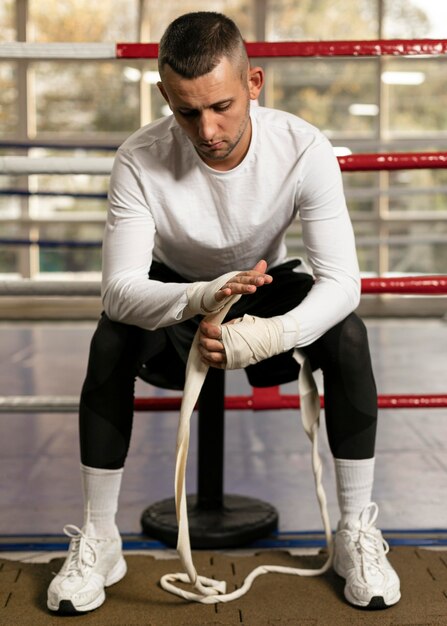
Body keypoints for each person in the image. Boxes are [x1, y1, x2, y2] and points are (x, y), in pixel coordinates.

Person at [47, 11, 401, 615]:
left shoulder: (302, 147)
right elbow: (120, 290)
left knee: (347, 333)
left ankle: (354, 535)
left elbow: (342, 281)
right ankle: (100, 540)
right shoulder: (139, 158)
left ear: (255, 83)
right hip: (176, 295)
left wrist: (270, 334)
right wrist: (199, 296)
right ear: (164, 96)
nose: (208, 129)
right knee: (110, 338)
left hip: (263, 289)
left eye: (222, 106)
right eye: (187, 112)